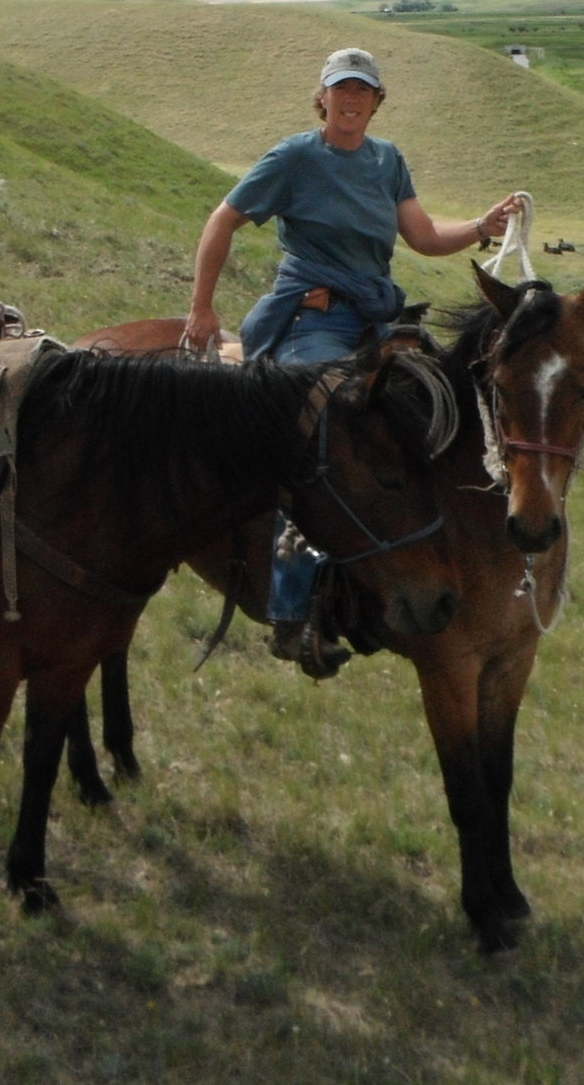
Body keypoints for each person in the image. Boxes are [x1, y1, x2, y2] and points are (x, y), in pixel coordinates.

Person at [183, 46, 521, 665]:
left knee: (434, 411)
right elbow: (222, 220)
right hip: (312, 318)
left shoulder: (387, 161)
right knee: (318, 430)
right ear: (323, 97)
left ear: (376, 101)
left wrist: (481, 227)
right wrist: (202, 307)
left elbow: (420, 236)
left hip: (377, 316)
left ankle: (430, 561)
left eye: (363, 90)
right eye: (342, 88)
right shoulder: (294, 158)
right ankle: (293, 608)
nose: (352, 99)